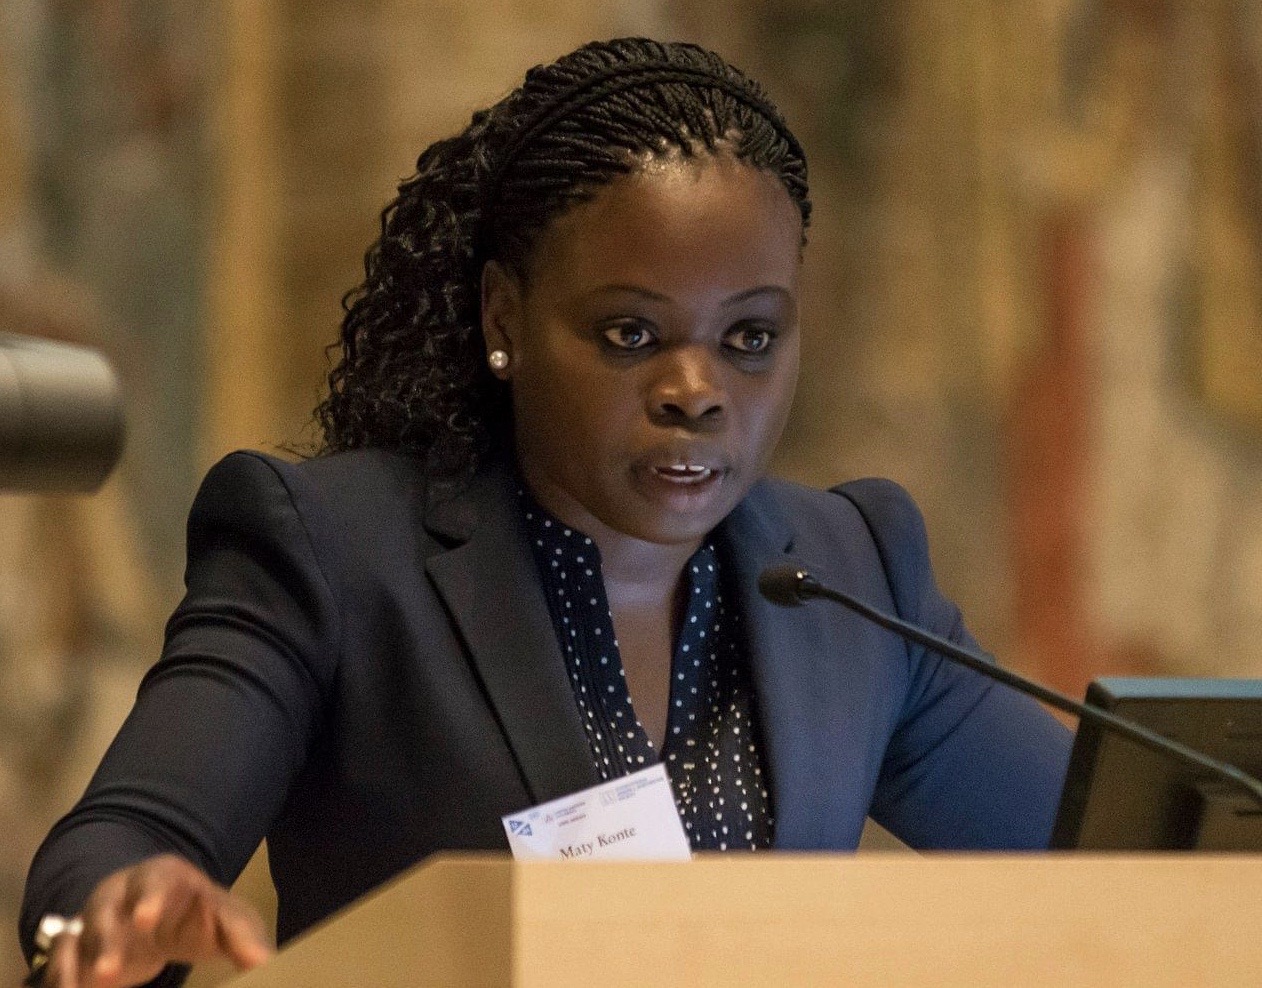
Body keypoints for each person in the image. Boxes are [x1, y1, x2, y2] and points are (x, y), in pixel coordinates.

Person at [20, 37, 1072, 988]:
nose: (696, 387)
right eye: (629, 334)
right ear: (503, 319)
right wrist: (109, 916)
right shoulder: (336, 551)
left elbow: (1104, 863)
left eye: (749, 336)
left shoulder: (852, 574)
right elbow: (119, 841)